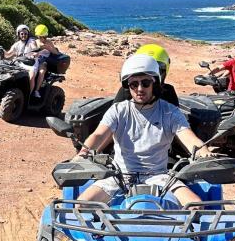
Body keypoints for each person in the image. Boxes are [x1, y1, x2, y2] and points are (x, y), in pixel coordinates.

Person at [75, 54, 213, 208]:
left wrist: (204, 152)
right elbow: (99, 134)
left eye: (145, 83)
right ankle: (99, 233)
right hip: (120, 176)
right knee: (81, 205)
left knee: (196, 206)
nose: (140, 89)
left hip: (159, 176)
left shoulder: (170, 112)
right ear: (128, 86)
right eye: (134, 84)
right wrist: (83, 153)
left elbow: (189, 138)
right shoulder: (118, 110)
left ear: (155, 83)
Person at [114, 43, 179, 106]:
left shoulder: (168, 91)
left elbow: (176, 115)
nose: (140, 89)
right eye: (134, 84)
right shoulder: (126, 91)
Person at [4, 24, 41, 95]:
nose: (24, 35)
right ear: (19, 34)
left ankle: (28, 95)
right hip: (19, 62)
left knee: (32, 73)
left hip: (30, 63)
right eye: (22, 34)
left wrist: (35, 52)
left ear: (28, 34)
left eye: (25, 33)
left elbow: (34, 47)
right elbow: (7, 55)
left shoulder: (31, 41)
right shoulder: (16, 44)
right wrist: (1, 51)